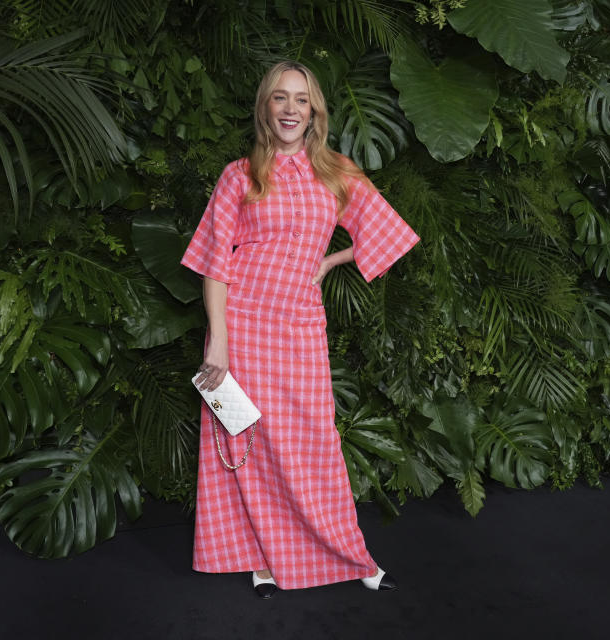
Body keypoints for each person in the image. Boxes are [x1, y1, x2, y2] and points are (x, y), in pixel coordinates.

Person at [181, 60, 419, 599]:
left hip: (300, 325)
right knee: (248, 437)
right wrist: (218, 338)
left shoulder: (337, 172)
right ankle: (263, 556)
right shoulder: (239, 174)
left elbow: (389, 232)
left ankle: (349, 553)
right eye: (280, 98)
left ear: (315, 111)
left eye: (301, 99)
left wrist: (330, 261)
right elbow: (216, 264)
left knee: (316, 441)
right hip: (241, 324)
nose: (291, 109)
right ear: (266, 107)